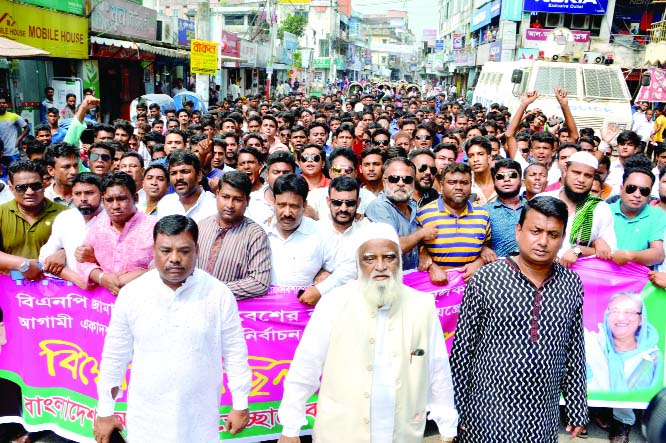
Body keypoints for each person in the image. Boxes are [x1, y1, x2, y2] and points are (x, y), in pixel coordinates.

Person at [277, 222, 458, 443]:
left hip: (403, 433)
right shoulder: (333, 303)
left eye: (389, 257)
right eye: (370, 258)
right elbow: (306, 366)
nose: (380, 266)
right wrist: (290, 427)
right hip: (341, 433)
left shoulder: (422, 305)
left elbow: (438, 369)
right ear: (358, 263)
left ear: (399, 262)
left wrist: (447, 426)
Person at [94, 215, 251, 443]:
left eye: (184, 251)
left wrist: (240, 403)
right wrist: (105, 411)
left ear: (196, 249)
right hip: (147, 419)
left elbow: (235, 352)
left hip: (199, 420)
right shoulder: (133, 294)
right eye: (165, 251)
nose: (175, 259)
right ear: (154, 250)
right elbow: (114, 357)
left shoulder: (218, 294)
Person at [450, 196, 588, 442]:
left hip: (541, 417)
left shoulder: (571, 284)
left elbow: (574, 350)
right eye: (535, 231)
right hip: (486, 414)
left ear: (562, 237)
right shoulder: (487, 279)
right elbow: (463, 352)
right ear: (518, 230)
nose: (543, 241)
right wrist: (456, 412)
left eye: (553, 234)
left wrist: (577, 407)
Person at [264, 173, 354, 306]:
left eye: (294, 206)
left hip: (307, 314)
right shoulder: (261, 232)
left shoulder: (321, 233)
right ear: (273, 202)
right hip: (264, 315)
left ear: (304, 205)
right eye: (282, 205)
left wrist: (321, 289)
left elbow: (348, 268)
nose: (287, 213)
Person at [77, 172, 157, 295]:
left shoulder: (154, 228)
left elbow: (164, 265)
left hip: (146, 300)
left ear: (135, 198)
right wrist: (102, 278)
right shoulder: (98, 227)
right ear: (103, 201)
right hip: (104, 304)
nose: (115, 206)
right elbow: (83, 261)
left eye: (121, 199)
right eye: (109, 200)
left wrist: (134, 277)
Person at [197, 171, 271, 300]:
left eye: (237, 199)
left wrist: (214, 290)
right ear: (217, 194)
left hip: (230, 310)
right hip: (195, 304)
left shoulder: (255, 235)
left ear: (247, 201)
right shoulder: (202, 226)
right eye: (225, 197)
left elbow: (260, 283)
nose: (230, 205)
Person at [416, 162, 492, 285]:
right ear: (441, 186)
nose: (458, 187)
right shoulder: (424, 214)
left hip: (473, 288)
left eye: (464, 183)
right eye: (452, 183)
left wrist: (480, 262)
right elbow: (418, 251)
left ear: (471, 185)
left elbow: (486, 247)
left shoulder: (483, 215)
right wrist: (431, 267)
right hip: (436, 288)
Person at [541, 151, 616, 266]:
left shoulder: (600, 208)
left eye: (588, 175)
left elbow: (608, 253)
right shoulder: (542, 200)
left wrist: (579, 250)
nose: (581, 180)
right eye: (576, 172)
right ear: (566, 170)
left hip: (576, 279)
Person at [365, 157, 436, 271]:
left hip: (412, 277)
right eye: (394, 179)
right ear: (384, 181)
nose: (401, 183)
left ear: (413, 183)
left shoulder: (413, 205)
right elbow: (392, 246)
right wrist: (421, 234)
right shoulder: (379, 207)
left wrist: (423, 250)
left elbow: (417, 240)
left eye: (407, 180)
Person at [0, 160, 67, 281]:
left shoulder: (65, 214)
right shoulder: (1, 213)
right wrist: (22, 264)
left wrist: (65, 252)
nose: (29, 192)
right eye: (21, 188)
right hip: (9, 289)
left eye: (35, 186)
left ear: (44, 184)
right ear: (11, 188)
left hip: (56, 292)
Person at [39, 172, 103, 288]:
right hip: (70, 292)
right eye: (78, 194)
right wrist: (75, 278)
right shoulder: (65, 218)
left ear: (102, 194)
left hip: (105, 290)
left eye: (89, 193)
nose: (83, 199)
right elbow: (45, 259)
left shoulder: (112, 219)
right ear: (72, 195)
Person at [157, 150, 217, 222]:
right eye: (173, 173)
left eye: (185, 172)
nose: (178, 178)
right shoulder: (165, 203)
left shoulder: (214, 207)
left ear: (199, 175)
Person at [484, 159, 527, 257]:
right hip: (500, 268)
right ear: (494, 182)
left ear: (521, 181)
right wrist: (483, 248)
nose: (506, 179)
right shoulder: (485, 211)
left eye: (512, 175)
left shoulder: (534, 208)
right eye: (500, 176)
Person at [43, 142, 79, 207]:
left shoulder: (87, 196)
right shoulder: (43, 199)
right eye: (66, 167)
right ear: (51, 170)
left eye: (75, 166)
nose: (73, 172)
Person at [0, 96, 29, 165]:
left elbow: (27, 128)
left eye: (3, 103)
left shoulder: (14, 116)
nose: (1, 104)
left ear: (6, 104)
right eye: (0, 103)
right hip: (1, 153)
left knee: (15, 172)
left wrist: (18, 139)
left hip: (12, 152)